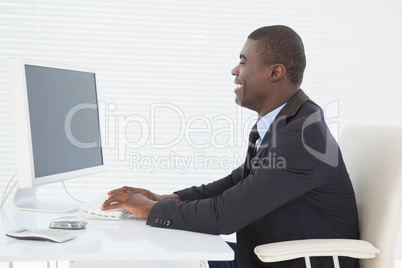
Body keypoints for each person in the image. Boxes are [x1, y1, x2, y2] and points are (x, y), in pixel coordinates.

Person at [102, 25, 360, 268]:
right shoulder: (287, 123)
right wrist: (167, 199)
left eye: (243, 62)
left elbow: (224, 215)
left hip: (292, 262)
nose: (235, 71)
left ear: (274, 72)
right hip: (263, 256)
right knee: (169, 256)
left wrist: (151, 209)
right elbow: (236, 183)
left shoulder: (303, 137)